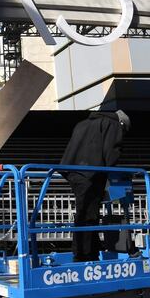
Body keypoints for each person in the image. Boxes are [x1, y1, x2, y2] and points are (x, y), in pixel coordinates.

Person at [61, 110, 131, 262]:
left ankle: (90, 249)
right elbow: (112, 151)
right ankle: (83, 254)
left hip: (73, 171)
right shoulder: (112, 124)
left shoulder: (83, 123)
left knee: (85, 211)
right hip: (91, 172)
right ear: (122, 124)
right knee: (88, 214)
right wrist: (111, 173)